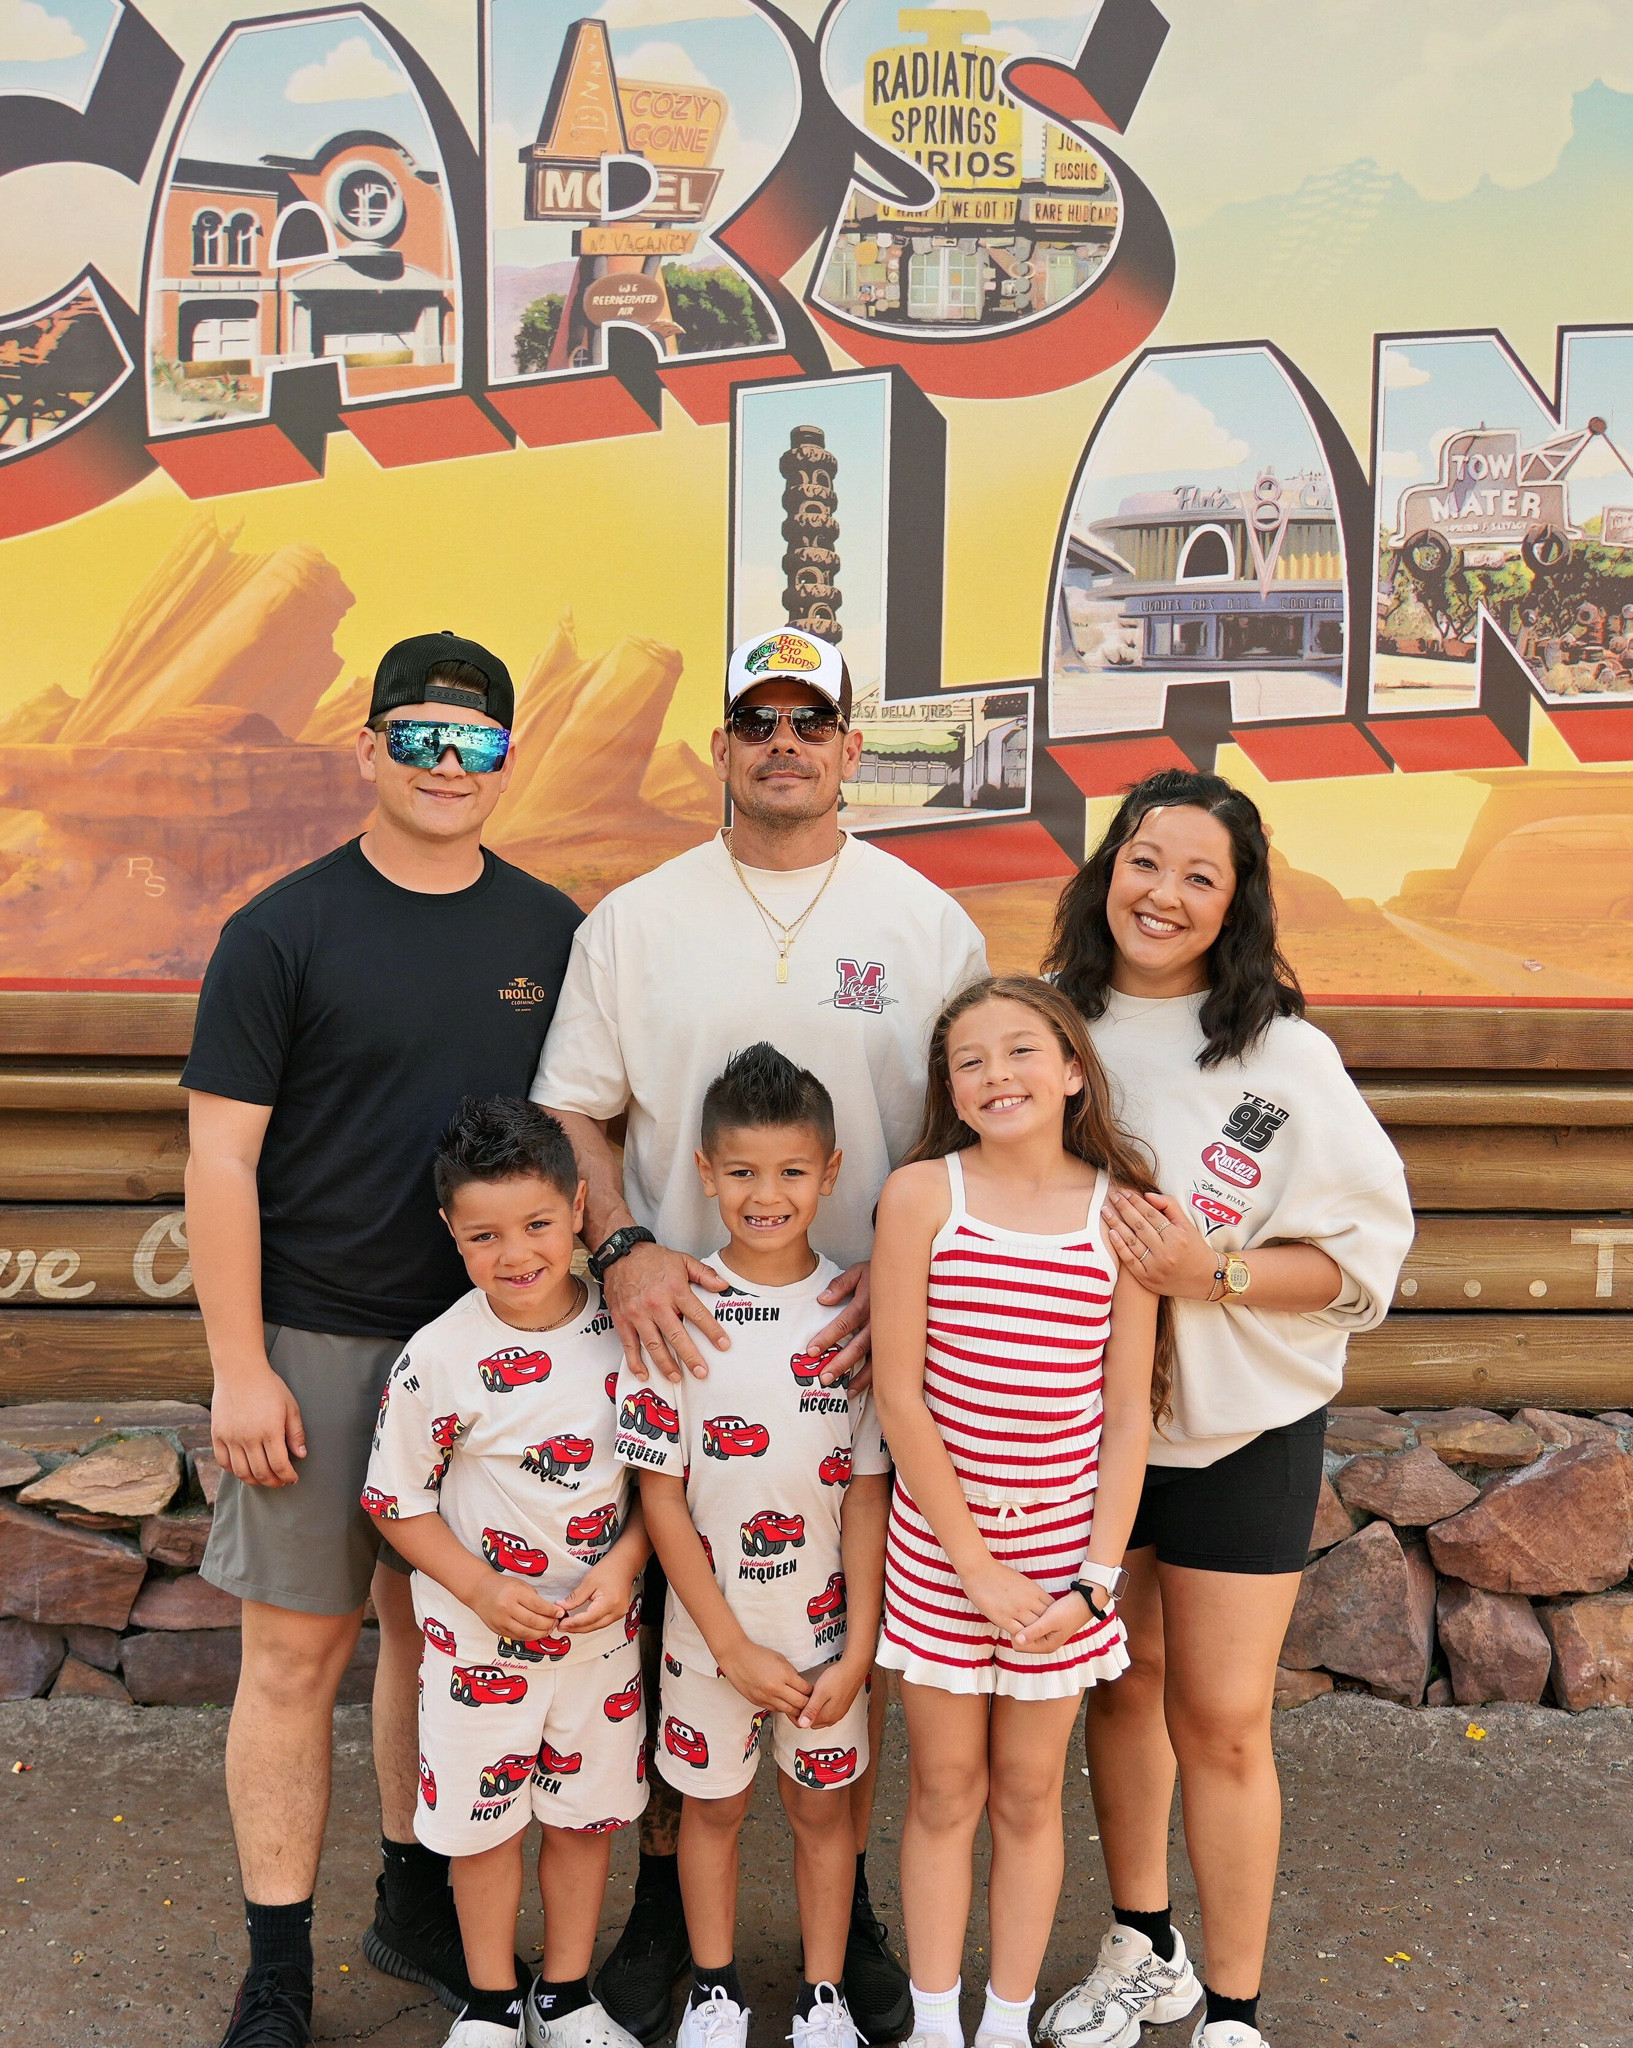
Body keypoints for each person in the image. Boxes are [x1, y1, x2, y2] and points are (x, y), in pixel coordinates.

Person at [533, 626, 986, 2043]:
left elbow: (967, 1121)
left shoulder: (926, 924)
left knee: (858, 1616)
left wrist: (909, 1273)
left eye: (811, 720)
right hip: (684, 1333)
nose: (781, 742)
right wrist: (621, 1246)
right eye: (756, 720)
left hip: (869, 1347)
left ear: (855, 751)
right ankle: (675, 1904)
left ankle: (856, 1924)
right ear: (718, 749)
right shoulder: (636, 919)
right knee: (679, 1623)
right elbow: (574, 1109)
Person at [183, 633, 585, 2048]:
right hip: (321, 1342)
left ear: (505, 762)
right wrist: (242, 1366)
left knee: (439, 1640)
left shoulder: (550, 931)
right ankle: (276, 1965)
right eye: (417, 736)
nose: (444, 765)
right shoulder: (281, 929)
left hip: (495, 1355)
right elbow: (220, 1161)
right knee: (295, 1658)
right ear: (367, 747)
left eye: (472, 743)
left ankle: (413, 1894)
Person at [1035, 770, 1413, 2048]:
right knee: (1123, 1686)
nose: (1166, 893)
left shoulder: (1282, 1054)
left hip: (1244, 1422)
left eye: (1202, 874)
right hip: (1085, 1429)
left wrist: (1214, 1272)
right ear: (1107, 871)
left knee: (1224, 1717)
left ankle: (1237, 2008)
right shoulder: (1049, 1029)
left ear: (1237, 902)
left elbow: (1360, 1257)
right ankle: (1143, 1945)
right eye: (1147, 861)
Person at [870, 976, 1161, 2048]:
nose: (998, 1074)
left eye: (1022, 1050)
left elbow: (1126, 1413)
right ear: (948, 1088)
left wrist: (1093, 1574)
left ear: (1074, 1068)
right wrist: (974, 1565)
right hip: (942, 1544)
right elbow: (899, 1394)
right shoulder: (920, 1195)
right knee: (944, 1784)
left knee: (1031, 1791)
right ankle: (934, 2019)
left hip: (1064, 1553)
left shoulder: (1116, 1208)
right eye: (970, 1060)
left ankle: (1004, 2018)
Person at [615, 1043, 891, 2048]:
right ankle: (718, 1988)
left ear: (829, 1170)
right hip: (706, 1636)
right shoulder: (675, 1309)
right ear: (702, 1170)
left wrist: (858, 1643)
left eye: (787, 1170)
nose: (762, 1193)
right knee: (711, 1813)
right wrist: (726, 1642)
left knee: (823, 1818)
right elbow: (659, 1493)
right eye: (740, 1171)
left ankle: (822, 1996)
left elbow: (867, 1491)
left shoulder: (852, 1318)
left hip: (824, 1640)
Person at [363, 1097, 651, 2048]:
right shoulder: (439, 1358)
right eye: (484, 1235)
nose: (516, 1253)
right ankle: (491, 2002)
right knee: (480, 1833)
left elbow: (664, 1480)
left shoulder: (630, 1335)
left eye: (536, 1224)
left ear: (578, 1209)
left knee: (584, 1820)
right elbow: (394, 1501)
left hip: (600, 1644)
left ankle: (565, 1994)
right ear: (450, 1232)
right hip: (473, 1644)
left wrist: (630, 1560)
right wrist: (482, 1589)